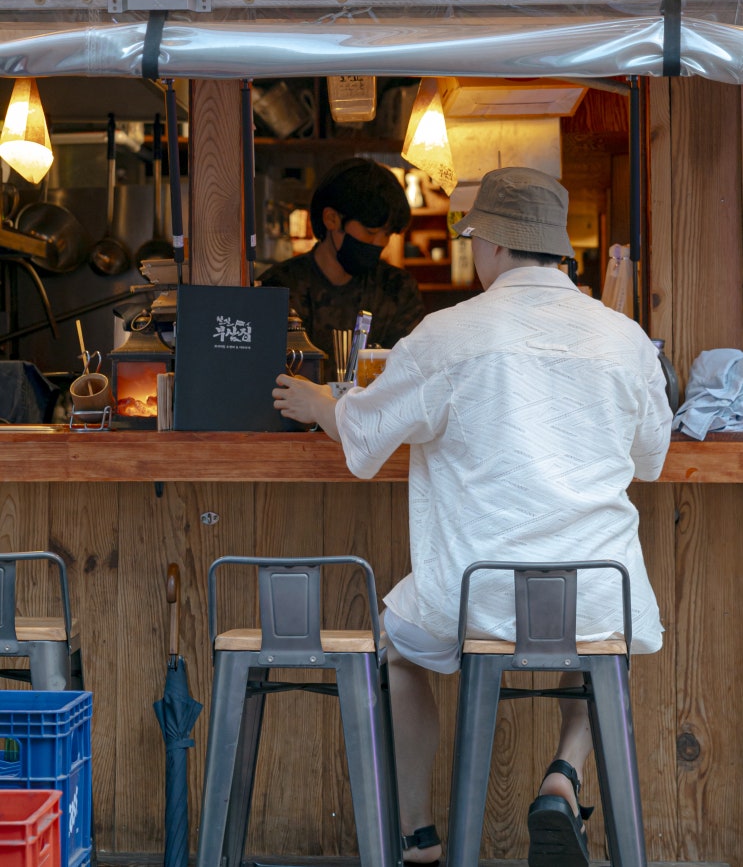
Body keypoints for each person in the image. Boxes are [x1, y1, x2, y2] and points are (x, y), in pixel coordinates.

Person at [272, 166, 672, 867]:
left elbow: (365, 436)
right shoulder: (625, 338)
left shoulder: (446, 334)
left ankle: (419, 834)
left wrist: (320, 404)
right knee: (600, 647)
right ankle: (564, 774)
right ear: (557, 248)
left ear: (491, 243)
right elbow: (652, 457)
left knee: (395, 648)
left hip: (477, 596)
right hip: (597, 589)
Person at [259, 157, 425, 363]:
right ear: (331, 219)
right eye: (371, 231)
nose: (380, 243)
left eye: (387, 234)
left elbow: (409, 369)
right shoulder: (279, 288)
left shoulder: (397, 289)